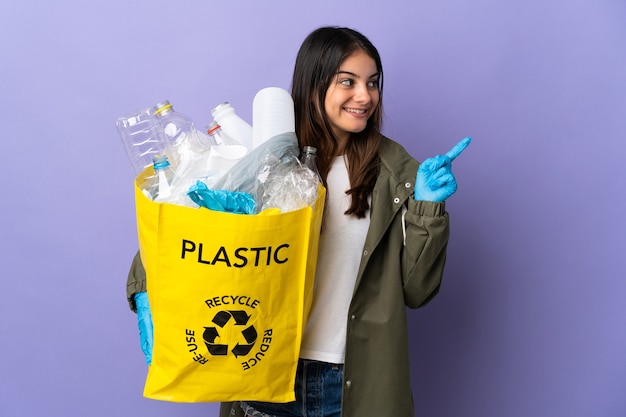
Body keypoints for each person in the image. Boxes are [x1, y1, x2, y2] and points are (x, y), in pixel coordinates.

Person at [127, 26, 470, 417]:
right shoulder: (266, 156)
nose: (365, 96)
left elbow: (417, 290)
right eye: (348, 82)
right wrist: (143, 290)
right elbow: (186, 221)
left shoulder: (395, 172)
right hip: (265, 372)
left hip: (351, 382)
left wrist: (427, 208)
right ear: (313, 87)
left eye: (373, 83)